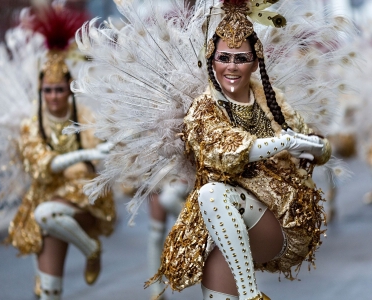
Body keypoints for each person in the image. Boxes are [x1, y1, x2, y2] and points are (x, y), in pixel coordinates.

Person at [71, 0, 357, 299]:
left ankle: (250, 295)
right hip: (227, 223)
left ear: (255, 61)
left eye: (241, 58)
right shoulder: (202, 110)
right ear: (212, 60)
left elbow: (317, 146)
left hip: (283, 219)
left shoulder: (272, 102)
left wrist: (317, 147)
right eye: (225, 57)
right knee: (216, 278)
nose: (232, 66)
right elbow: (228, 152)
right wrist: (286, 142)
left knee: (214, 193)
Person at [3, 7, 116, 300]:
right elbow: (43, 166)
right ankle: (90, 249)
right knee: (48, 289)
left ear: (69, 89)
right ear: (42, 91)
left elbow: (99, 155)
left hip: (80, 202)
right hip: (46, 204)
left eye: (59, 90)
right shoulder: (31, 125)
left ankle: (91, 247)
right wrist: (81, 156)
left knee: (47, 213)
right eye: (48, 90)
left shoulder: (84, 115)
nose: (54, 97)